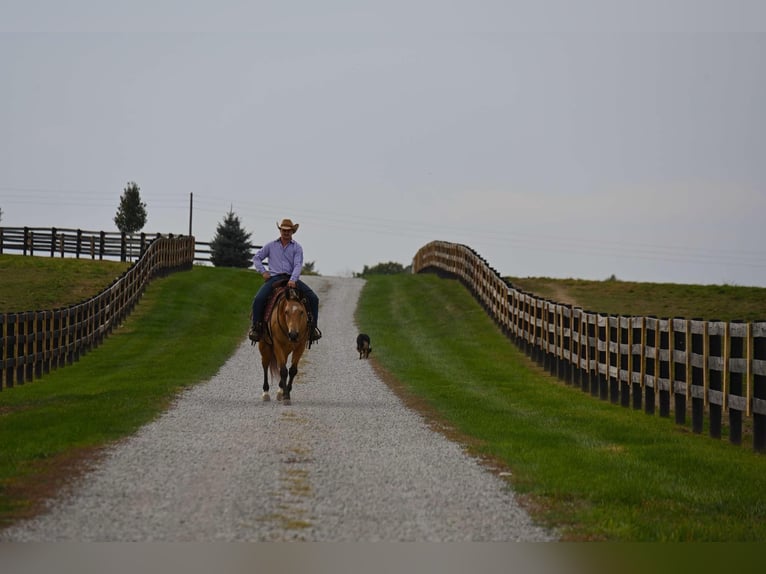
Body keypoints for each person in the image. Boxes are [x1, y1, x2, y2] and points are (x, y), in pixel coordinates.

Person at [249, 218, 321, 343]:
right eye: (284, 230)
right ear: (280, 230)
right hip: (275, 278)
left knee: (314, 298)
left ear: (292, 232)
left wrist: (293, 279)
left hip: (290, 278)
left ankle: (312, 329)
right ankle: (256, 327)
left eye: (288, 231)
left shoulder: (297, 247)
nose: (286, 233)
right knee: (259, 299)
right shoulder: (271, 245)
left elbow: (298, 264)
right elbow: (257, 258)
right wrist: (263, 272)